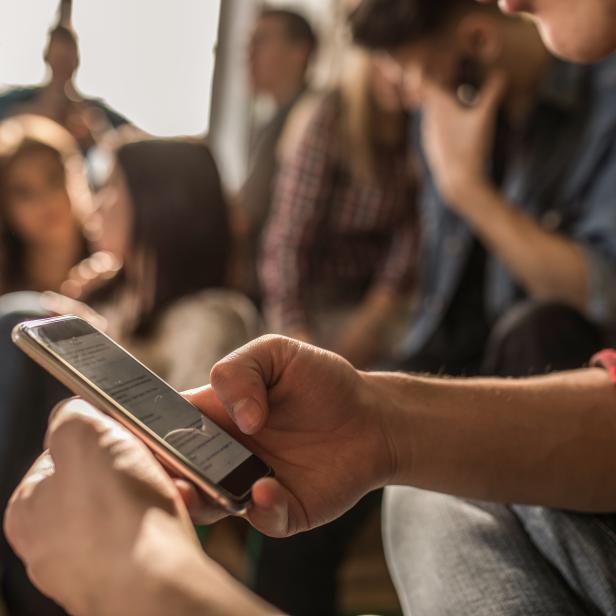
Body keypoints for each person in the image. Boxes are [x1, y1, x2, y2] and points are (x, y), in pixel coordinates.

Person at [5, 1, 616, 615]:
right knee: (422, 500)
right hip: (452, 370)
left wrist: (143, 576)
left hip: (483, 347)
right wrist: (377, 420)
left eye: (411, 74)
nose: (510, 1)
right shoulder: (449, 118)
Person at [0, 138, 260, 615]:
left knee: (15, 316)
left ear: (156, 204)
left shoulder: (212, 315)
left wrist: (90, 331)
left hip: (132, 509)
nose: (95, 203)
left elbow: (184, 435)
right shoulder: (113, 302)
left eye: (112, 189)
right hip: (72, 483)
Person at [351, 0, 616, 378]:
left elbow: (605, 293)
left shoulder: (605, 98)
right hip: (452, 356)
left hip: (551, 365)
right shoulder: (437, 113)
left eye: (418, 73)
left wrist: (467, 190)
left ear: (479, 40)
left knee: (536, 330)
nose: (412, 96)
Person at [261, 50, 416, 370]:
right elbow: (289, 239)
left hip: (379, 302)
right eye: (386, 58)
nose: (397, 75)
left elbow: (412, 235)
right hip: (314, 299)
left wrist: (371, 321)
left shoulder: (418, 124)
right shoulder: (329, 118)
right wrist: (296, 333)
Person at [235, 7, 318, 304]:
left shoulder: (306, 119)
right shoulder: (273, 118)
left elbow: (246, 214)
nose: (248, 55)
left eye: (262, 41)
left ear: (300, 52)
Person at [0, 114, 93, 297]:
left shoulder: (113, 262)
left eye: (53, 179)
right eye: (23, 192)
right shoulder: (3, 278)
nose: (44, 200)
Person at [0, 24, 129, 152]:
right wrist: (24, 118)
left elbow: (131, 140)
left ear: (76, 62)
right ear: (47, 57)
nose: (61, 65)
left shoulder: (92, 112)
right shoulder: (16, 100)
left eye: (66, 60)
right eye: (58, 58)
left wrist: (97, 137)